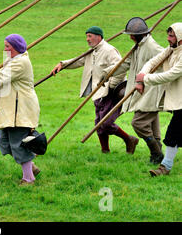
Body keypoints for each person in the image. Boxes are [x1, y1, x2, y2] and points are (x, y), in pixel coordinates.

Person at [51, 26, 139, 154]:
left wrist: (110, 86)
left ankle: (129, 139)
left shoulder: (109, 50)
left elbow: (120, 68)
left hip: (112, 93)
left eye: (90, 36)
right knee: (99, 123)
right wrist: (62, 65)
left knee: (106, 123)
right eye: (86, 36)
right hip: (97, 92)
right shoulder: (92, 51)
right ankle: (105, 151)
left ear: (99, 37)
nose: (87, 39)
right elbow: (78, 61)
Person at [0, 34, 41, 185]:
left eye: (8, 47)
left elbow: (0, 79)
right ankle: (31, 167)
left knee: (18, 143)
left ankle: (28, 178)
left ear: (16, 47)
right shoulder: (12, 60)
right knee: (4, 143)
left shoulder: (21, 62)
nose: (5, 49)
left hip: (20, 109)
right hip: (11, 108)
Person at [103, 18, 164, 164]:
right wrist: (107, 73)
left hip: (151, 91)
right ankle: (158, 154)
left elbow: (166, 59)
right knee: (152, 123)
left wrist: (151, 78)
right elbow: (126, 63)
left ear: (140, 35)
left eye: (132, 35)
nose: (130, 37)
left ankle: (156, 152)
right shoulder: (138, 46)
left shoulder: (151, 47)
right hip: (143, 92)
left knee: (139, 123)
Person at [136, 23, 182, 177]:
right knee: (174, 134)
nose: (168, 39)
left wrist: (146, 79)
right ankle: (165, 167)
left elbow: (172, 74)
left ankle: (165, 167)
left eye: (171, 36)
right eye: (168, 35)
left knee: (172, 134)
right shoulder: (171, 49)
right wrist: (140, 78)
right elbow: (153, 62)